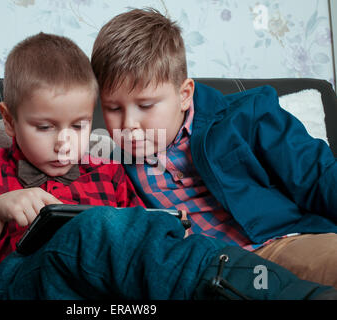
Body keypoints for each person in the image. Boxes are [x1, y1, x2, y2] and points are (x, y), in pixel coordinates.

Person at [90, 8, 337, 287]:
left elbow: (317, 175)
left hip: (280, 244)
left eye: (145, 106)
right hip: (206, 274)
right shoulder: (108, 167)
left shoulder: (248, 115)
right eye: (112, 108)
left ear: (184, 95)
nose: (129, 124)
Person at [0, 32, 144, 297]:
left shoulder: (110, 175)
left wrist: (169, 232)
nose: (64, 143)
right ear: (9, 121)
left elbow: (139, 254)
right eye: (44, 127)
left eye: (78, 125)